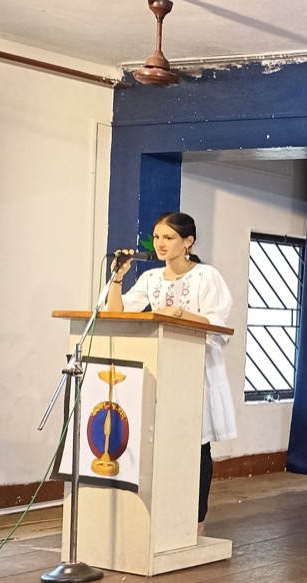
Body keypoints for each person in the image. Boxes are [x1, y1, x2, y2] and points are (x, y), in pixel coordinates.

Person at [107, 212, 235, 537]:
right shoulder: (152, 279)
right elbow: (116, 312)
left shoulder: (206, 276)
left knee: (196, 447)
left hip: (195, 372)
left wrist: (177, 314)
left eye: (168, 237)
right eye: (156, 237)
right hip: (160, 372)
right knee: (160, 444)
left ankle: (197, 522)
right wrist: (118, 279)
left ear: (188, 241)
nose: (160, 244)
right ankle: (164, 519)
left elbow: (217, 323)